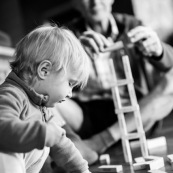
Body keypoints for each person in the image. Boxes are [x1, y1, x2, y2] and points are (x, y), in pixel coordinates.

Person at [55, 0, 173, 160]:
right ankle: (77, 145)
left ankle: (96, 143)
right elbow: (52, 78)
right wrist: (74, 55)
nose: (95, 2)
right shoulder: (67, 35)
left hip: (136, 112)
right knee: (39, 94)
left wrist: (158, 50)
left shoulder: (132, 25)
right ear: (76, 3)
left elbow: (169, 64)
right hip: (85, 117)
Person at [0, 24, 92, 173]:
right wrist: (43, 133)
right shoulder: (10, 94)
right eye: (70, 83)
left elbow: (61, 143)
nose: (70, 93)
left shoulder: (40, 106)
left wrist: (82, 170)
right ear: (44, 70)